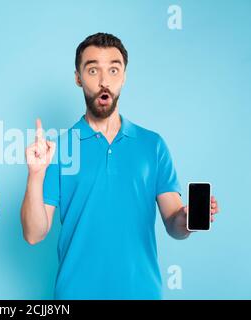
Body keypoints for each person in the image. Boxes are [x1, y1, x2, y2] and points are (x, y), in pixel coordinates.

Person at [21, 33, 220, 299]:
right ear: (78, 77)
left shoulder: (153, 145)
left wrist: (189, 218)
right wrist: (35, 175)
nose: (104, 81)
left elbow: (174, 224)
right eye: (93, 70)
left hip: (142, 292)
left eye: (113, 70)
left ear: (124, 76)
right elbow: (34, 234)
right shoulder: (59, 148)